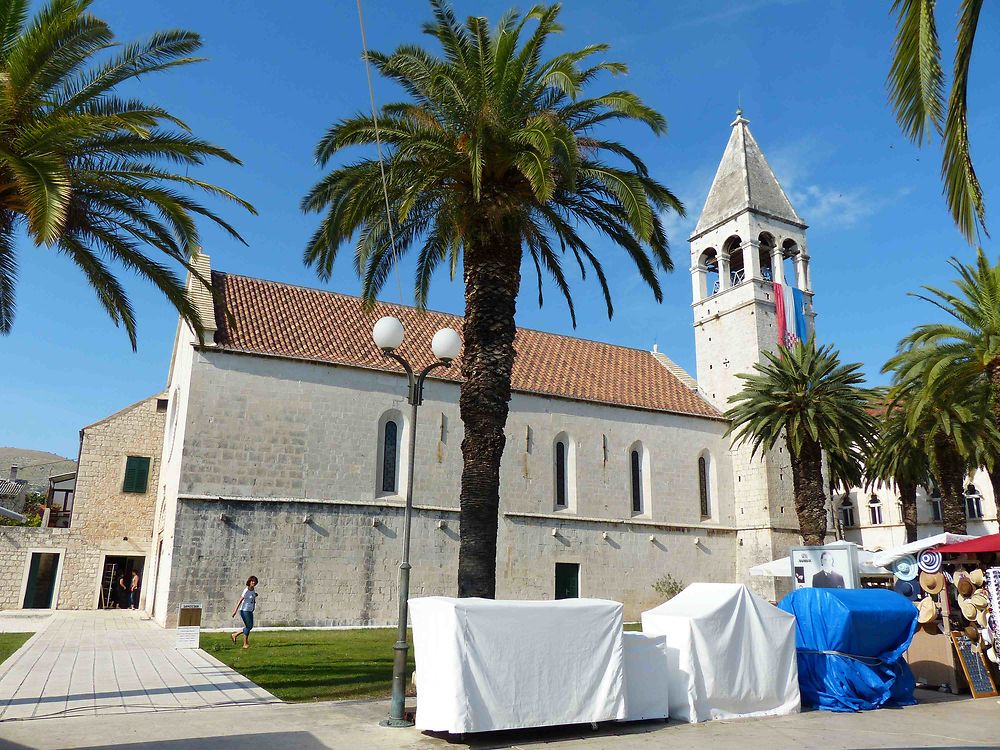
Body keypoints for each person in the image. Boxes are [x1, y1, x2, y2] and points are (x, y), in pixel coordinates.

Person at [231, 576, 258, 649]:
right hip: (244, 610)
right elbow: (240, 601)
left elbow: (253, 598)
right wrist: (235, 611)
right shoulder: (246, 590)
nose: (253, 582)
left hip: (250, 610)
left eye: (254, 581)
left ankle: (235, 635)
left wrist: (253, 606)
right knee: (248, 626)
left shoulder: (253, 590)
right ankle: (245, 644)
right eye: (252, 581)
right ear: (249, 582)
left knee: (250, 626)